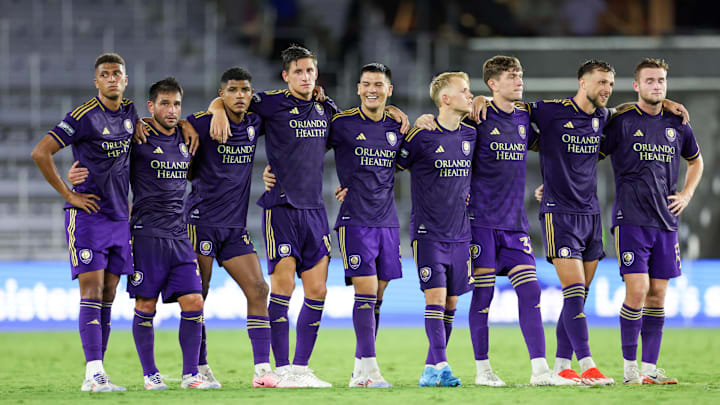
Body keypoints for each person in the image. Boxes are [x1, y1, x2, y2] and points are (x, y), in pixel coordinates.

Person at [474, 59, 688, 385]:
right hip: (559, 213)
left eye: (610, 84)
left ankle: (562, 364)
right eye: (600, 83)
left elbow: (635, 110)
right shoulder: (548, 111)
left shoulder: (605, 117)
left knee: (581, 294)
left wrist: (667, 102)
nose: (605, 90)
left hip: (590, 215)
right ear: (583, 83)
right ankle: (587, 363)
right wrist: (480, 100)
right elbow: (510, 107)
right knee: (573, 291)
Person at [68, 78, 219, 390]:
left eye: (177, 104)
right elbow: (106, 159)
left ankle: (191, 375)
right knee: (145, 306)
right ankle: (151, 376)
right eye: (164, 103)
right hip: (145, 235)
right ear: (151, 106)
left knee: (194, 301)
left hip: (179, 236)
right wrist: (77, 174)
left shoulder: (186, 138)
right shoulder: (138, 137)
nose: (171, 110)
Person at [208, 44, 338, 388]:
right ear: (286, 75)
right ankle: (279, 370)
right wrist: (217, 108)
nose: (306, 76)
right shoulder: (271, 102)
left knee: (319, 290)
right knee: (283, 286)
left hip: (315, 209)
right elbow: (234, 99)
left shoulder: (327, 108)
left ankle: (301, 368)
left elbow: (349, 142)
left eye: (310, 70)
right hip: (281, 208)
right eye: (298, 71)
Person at [31, 53, 137, 392]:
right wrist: (69, 193)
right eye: (104, 74)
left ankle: (97, 372)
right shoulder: (82, 116)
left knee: (108, 293)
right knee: (91, 290)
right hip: (88, 215)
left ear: (125, 79)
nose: (111, 79)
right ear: (96, 82)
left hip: (121, 217)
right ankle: (94, 371)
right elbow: (40, 152)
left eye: (116, 73)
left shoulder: (131, 114)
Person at [465, 56, 574, 386]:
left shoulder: (526, 116)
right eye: (511, 76)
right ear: (493, 84)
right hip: (480, 223)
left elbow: (554, 147)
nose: (519, 81)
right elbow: (447, 143)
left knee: (531, 292)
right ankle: (483, 370)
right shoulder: (476, 117)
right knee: (483, 298)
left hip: (514, 225)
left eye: (520, 75)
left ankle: (540, 371)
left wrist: (552, 181)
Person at [599, 58, 703, 385]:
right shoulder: (621, 119)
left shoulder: (678, 122)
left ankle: (649, 368)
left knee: (657, 294)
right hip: (630, 218)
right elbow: (589, 152)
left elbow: (696, 162)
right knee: (639, 288)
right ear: (637, 85)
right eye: (650, 81)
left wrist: (685, 195)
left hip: (665, 221)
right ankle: (630, 371)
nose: (656, 86)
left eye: (660, 81)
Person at [184, 67, 276, 388]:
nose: (240, 95)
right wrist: (214, 110)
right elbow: (179, 125)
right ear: (222, 93)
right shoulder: (202, 121)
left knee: (259, 289)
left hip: (235, 227)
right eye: (232, 90)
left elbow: (287, 108)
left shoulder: (255, 121)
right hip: (201, 223)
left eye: (245, 90)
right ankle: (199, 367)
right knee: (198, 295)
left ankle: (262, 370)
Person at [395, 71, 476, 387]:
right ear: (446, 98)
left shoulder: (471, 135)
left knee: (451, 303)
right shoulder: (420, 136)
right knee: (436, 298)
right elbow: (389, 167)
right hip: (429, 233)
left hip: (461, 234)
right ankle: (442, 364)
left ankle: (431, 369)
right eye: (465, 91)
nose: (470, 95)